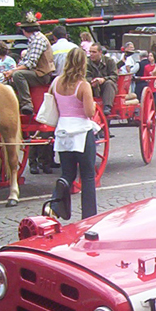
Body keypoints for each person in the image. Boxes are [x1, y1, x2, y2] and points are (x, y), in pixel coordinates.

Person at [50, 47, 99, 219]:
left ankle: (55, 204)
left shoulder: (56, 82)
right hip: (81, 132)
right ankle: (89, 215)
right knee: (87, 175)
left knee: (67, 174)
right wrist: (92, 104)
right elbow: (88, 112)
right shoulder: (83, 85)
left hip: (63, 130)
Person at [5, 13, 56, 116]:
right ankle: (14, 104)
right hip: (38, 73)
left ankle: (27, 104)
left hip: (42, 74)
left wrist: (13, 71)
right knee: (11, 82)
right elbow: (26, 61)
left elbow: (31, 63)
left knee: (18, 75)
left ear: (24, 30)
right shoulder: (34, 39)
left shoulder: (38, 40)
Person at [87, 42, 118, 116]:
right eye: (90, 52)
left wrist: (103, 79)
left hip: (106, 88)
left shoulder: (109, 61)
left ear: (100, 53)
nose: (91, 54)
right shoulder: (86, 62)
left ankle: (107, 107)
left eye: (94, 52)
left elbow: (115, 76)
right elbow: (84, 76)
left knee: (109, 83)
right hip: (92, 87)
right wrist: (92, 81)